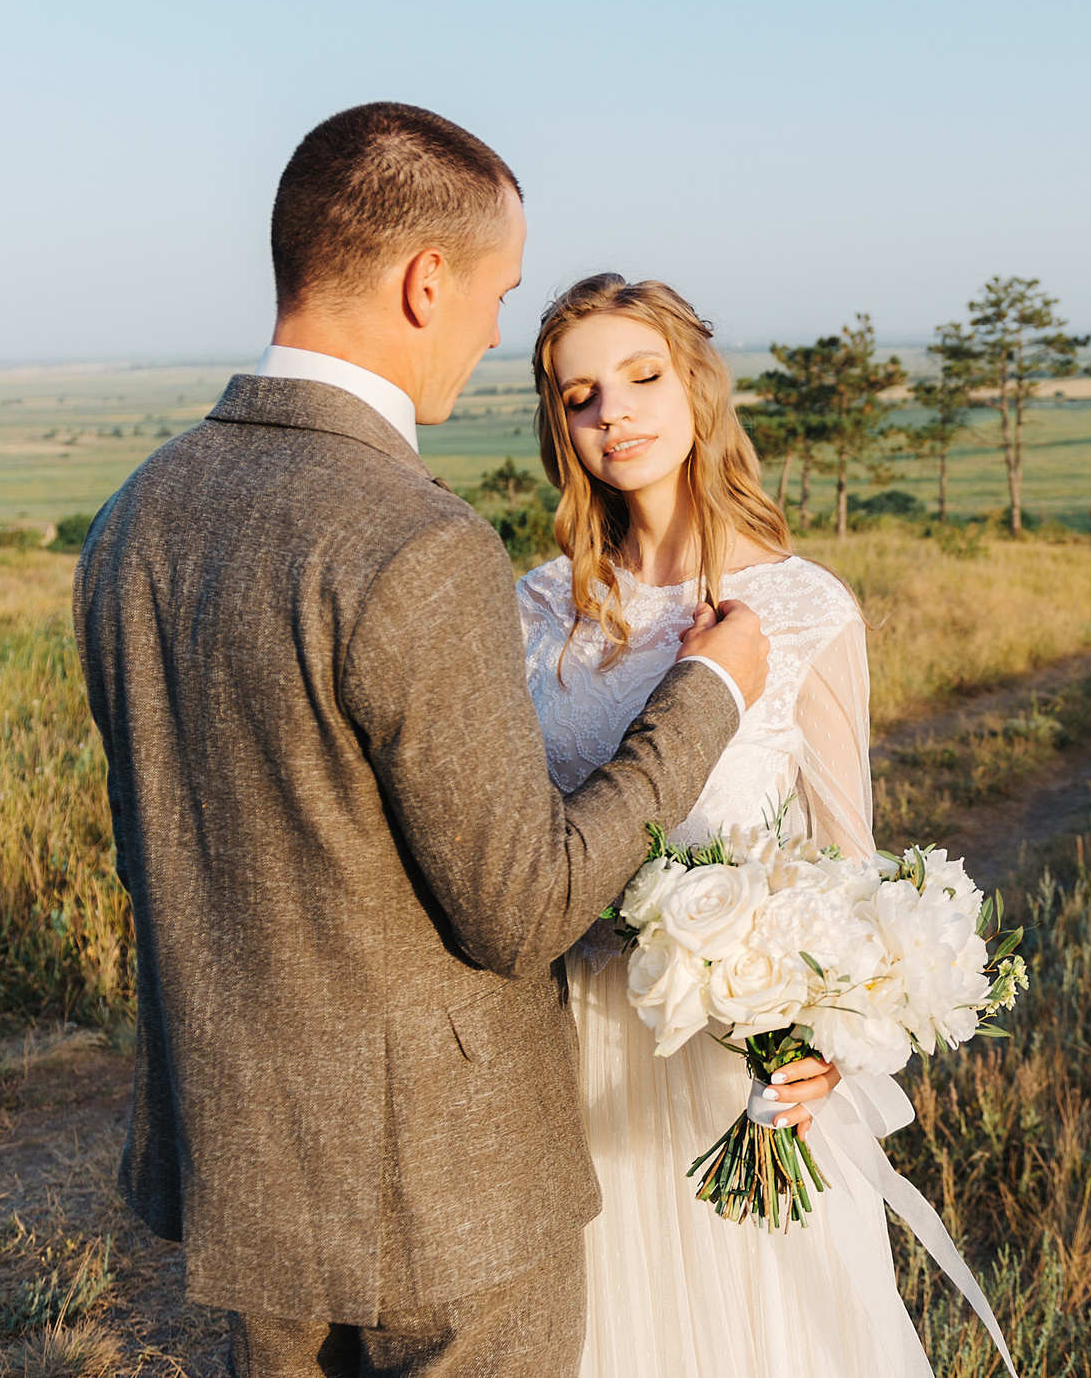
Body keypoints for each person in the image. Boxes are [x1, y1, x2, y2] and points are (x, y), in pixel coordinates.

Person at [74, 103, 791, 1378]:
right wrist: (706, 694)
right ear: (423, 281)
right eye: (497, 293)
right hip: (449, 1194)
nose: (497, 331)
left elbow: (170, 850)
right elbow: (521, 907)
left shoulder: (135, 518)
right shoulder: (415, 541)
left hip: (241, 1159)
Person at [517, 274, 931, 1378]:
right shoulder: (536, 610)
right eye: (581, 395)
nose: (616, 413)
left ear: (696, 387)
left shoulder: (803, 606)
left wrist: (828, 1048)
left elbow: (852, 872)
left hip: (725, 1059)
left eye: (643, 377)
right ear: (560, 427)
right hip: (571, 1045)